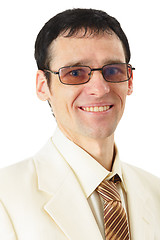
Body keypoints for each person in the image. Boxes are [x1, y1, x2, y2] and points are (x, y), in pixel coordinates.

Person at [0, 8, 159, 240]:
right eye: (75, 73)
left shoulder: (156, 192)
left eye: (112, 70)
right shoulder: (5, 199)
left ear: (130, 80)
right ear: (43, 86)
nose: (100, 88)